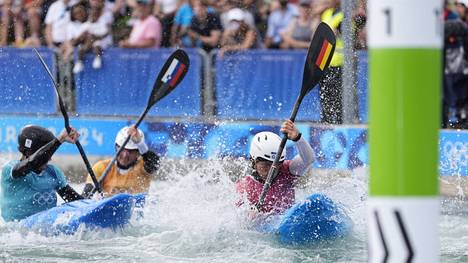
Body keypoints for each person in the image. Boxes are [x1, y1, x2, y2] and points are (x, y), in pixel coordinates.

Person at [0, 125, 83, 222]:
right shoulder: (11, 170)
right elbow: (32, 163)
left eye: (49, 153)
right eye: (46, 153)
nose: (48, 158)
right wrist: (60, 139)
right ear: (28, 152)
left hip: (45, 230)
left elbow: (76, 201)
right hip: (16, 231)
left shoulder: (53, 172)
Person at [236, 120, 314, 214]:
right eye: (266, 165)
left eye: (276, 164)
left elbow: (308, 160)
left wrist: (298, 138)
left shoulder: (286, 171)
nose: (271, 170)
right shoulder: (245, 188)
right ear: (254, 161)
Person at [82, 125, 160, 197]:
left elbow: (154, 163)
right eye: (122, 149)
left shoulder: (143, 167)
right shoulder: (101, 167)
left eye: (130, 151)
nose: (125, 155)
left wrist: (140, 143)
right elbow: (87, 194)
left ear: (138, 153)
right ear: (116, 147)